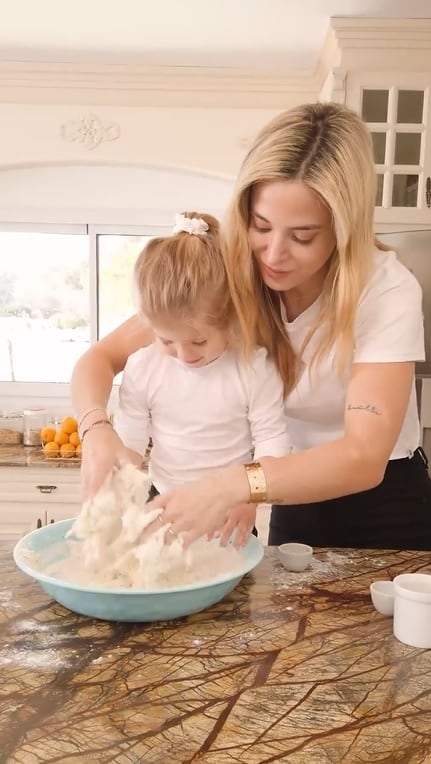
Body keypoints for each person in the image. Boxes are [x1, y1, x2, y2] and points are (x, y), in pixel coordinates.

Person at [72, 101, 431, 550]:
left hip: (386, 501)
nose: (273, 255)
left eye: (302, 236)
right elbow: (99, 359)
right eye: (261, 226)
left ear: (345, 229)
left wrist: (232, 486)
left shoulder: (385, 289)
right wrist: (96, 431)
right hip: (290, 490)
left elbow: (363, 456)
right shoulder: (227, 274)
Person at [79, 211, 291, 546]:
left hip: (230, 511)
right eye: (166, 340)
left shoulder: (253, 368)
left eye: (199, 341)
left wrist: (251, 498)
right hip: (163, 503)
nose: (184, 354)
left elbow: (271, 441)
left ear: (231, 316)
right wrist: (116, 486)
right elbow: (132, 442)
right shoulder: (143, 367)